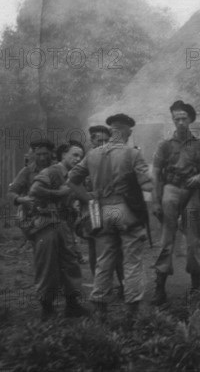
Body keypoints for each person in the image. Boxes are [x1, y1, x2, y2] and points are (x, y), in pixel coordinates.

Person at [68, 113, 152, 319]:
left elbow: (71, 180)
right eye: (130, 132)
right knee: (132, 260)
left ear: (112, 130)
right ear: (126, 131)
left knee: (104, 260)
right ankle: (131, 312)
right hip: (124, 210)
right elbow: (147, 184)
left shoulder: (94, 154)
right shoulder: (132, 154)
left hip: (101, 211)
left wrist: (88, 199)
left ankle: (100, 309)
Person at [150, 100, 200, 305]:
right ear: (173, 120)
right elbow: (157, 173)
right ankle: (159, 286)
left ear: (190, 120)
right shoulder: (165, 145)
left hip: (192, 191)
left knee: (193, 240)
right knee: (167, 239)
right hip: (171, 189)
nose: (180, 122)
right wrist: (156, 201)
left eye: (184, 118)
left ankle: (196, 285)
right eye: (177, 119)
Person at [28, 141, 89, 320]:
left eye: (80, 156)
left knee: (70, 264)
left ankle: (73, 306)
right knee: (48, 266)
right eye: (74, 155)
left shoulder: (74, 176)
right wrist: (59, 194)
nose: (78, 159)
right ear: (63, 155)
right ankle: (47, 308)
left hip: (64, 224)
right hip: (47, 222)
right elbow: (35, 190)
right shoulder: (52, 171)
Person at [80, 125, 125, 299]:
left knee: (118, 245)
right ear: (92, 141)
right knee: (94, 245)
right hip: (92, 207)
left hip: (113, 206)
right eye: (100, 141)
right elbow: (75, 183)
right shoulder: (88, 159)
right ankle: (100, 284)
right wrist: (88, 197)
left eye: (107, 141)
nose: (104, 144)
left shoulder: (114, 158)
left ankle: (123, 284)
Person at [8, 139, 55, 238]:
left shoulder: (58, 168)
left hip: (57, 215)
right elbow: (11, 192)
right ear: (33, 154)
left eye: (45, 154)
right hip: (33, 217)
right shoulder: (27, 171)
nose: (42, 158)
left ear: (51, 153)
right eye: (38, 154)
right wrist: (22, 199)